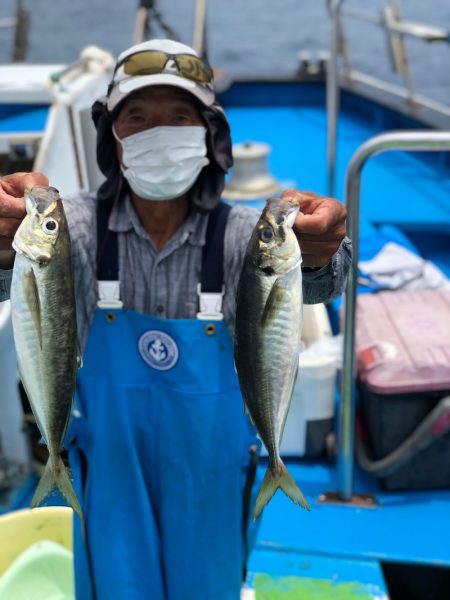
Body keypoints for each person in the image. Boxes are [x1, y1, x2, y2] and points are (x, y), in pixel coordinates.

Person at [0, 39, 352, 600]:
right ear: (111, 136)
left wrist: (319, 253)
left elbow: (322, 283)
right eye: (136, 117)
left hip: (210, 479)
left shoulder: (242, 235)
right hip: (109, 473)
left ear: (209, 135)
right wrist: (5, 246)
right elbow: (18, 281)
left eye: (179, 117)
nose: (156, 131)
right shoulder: (78, 229)